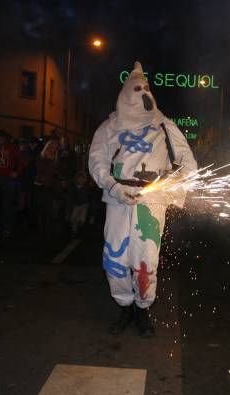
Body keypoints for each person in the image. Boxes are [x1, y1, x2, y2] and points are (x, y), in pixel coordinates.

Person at [89, 61, 198, 337]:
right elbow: (97, 160)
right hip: (118, 201)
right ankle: (124, 305)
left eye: (145, 89)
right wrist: (113, 186)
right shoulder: (110, 126)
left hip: (151, 202)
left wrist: (170, 189)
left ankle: (142, 308)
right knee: (114, 256)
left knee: (146, 259)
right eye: (135, 89)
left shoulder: (164, 126)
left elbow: (188, 164)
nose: (141, 94)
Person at [69, 171, 89, 237]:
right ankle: (74, 230)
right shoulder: (74, 187)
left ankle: (80, 228)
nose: (81, 180)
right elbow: (71, 195)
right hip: (76, 204)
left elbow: (88, 195)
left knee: (82, 219)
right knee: (73, 218)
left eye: (82, 179)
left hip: (84, 204)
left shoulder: (86, 187)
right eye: (79, 178)